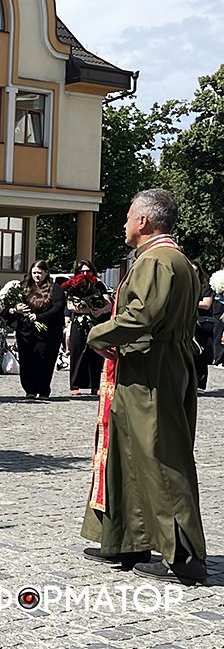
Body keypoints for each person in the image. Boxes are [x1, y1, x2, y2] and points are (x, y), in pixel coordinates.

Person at [81, 188, 207, 586]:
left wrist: (98, 333)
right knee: (130, 451)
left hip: (151, 368)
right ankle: (129, 541)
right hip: (153, 363)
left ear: (143, 221)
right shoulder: (175, 259)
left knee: (160, 455)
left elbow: (141, 316)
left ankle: (183, 556)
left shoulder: (156, 259)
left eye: (128, 216)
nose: (124, 224)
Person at [8, 260, 67, 399]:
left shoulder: (54, 288)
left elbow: (58, 307)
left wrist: (39, 317)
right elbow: (11, 304)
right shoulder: (23, 287)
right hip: (26, 330)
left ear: (46, 273)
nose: (37, 275)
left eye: (40, 273)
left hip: (47, 331)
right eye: (34, 273)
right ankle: (30, 390)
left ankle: (43, 389)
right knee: (26, 360)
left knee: (44, 360)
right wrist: (16, 308)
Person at [66, 260, 112, 396]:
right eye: (82, 271)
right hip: (78, 323)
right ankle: (75, 385)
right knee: (77, 352)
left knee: (96, 353)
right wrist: (85, 309)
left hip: (95, 322)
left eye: (88, 271)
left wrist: (100, 310)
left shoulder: (98, 284)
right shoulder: (73, 285)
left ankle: (95, 386)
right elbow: (70, 305)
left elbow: (108, 304)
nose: (85, 273)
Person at [192, 262, 214, 393]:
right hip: (189, 322)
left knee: (200, 354)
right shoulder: (186, 286)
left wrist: (189, 302)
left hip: (202, 323)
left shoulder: (205, 287)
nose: (193, 273)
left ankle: (200, 383)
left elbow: (206, 304)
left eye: (196, 271)